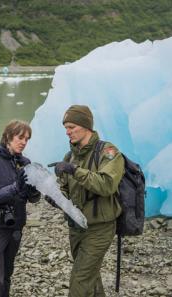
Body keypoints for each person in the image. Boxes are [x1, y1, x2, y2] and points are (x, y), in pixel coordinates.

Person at [47, 105, 124, 297]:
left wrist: (74, 170)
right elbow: (65, 189)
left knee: (80, 282)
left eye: (71, 127)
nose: (67, 132)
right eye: (65, 127)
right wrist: (56, 197)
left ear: (86, 126)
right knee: (91, 276)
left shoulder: (108, 152)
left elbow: (107, 184)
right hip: (76, 226)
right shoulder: (70, 155)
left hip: (99, 228)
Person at [0, 119, 40, 297]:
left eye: (27, 139)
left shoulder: (26, 162)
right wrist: (16, 187)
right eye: (20, 137)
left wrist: (34, 190)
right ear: (7, 136)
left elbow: (34, 199)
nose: (23, 142)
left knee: (6, 276)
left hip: (16, 226)